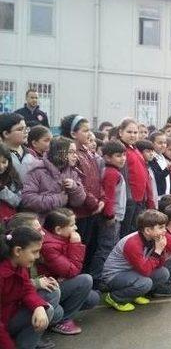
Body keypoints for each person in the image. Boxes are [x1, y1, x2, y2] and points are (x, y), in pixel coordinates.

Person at [38, 208, 100, 335]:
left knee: (92, 298)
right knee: (85, 280)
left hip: (59, 282)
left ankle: (60, 314)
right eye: (72, 225)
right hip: (49, 289)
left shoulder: (60, 238)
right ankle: (62, 320)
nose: (76, 227)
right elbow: (73, 271)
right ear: (58, 230)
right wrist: (76, 245)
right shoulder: (49, 246)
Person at [101, 210, 171, 312]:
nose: (164, 231)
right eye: (161, 227)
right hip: (114, 275)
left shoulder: (153, 238)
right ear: (147, 230)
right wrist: (157, 251)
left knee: (163, 273)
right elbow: (145, 270)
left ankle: (135, 294)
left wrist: (161, 249)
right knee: (145, 283)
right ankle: (115, 298)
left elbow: (159, 265)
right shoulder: (133, 243)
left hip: (133, 270)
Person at [60, 114, 105, 272]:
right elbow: (80, 183)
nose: (88, 134)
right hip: (80, 213)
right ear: (73, 134)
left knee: (92, 247)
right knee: (80, 248)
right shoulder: (72, 154)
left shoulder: (87, 151)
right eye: (85, 130)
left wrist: (102, 198)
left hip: (92, 210)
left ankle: (89, 279)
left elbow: (97, 179)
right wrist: (94, 202)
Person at [0, 226, 56, 349]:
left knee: (46, 309)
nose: (38, 256)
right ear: (18, 251)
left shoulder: (20, 265)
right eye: (34, 251)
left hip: (9, 316)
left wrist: (38, 306)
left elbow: (27, 289)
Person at [21, 137, 87, 221]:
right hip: (41, 222)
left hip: (62, 222)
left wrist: (74, 188)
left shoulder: (71, 172)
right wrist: (58, 199)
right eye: (71, 152)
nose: (75, 156)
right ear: (58, 153)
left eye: (75, 152)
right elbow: (28, 199)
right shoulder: (38, 171)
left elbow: (78, 202)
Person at [91, 140, 128, 284]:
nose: (123, 158)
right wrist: (109, 215)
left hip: (115, 216)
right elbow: (108, 196)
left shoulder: (114, 171)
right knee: (106, 247)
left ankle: (103, 275)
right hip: (111, 218)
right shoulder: (111, 173)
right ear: (107, 158)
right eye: (118, 156)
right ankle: (96, 277)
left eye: (124, 155)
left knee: (109, 246)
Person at [118, 119, 155, 238]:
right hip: (129, 199)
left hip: (139, 198)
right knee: (126, 233)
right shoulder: (121, 150)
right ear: (120, 132)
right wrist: (129, 197)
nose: (133, 135)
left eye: (135, 132)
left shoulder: (134, 149)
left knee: (134, 232)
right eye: (129, 132)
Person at [0, 113, 36, 184]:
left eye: (26, 128)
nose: (26, 132)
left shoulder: (31, 153)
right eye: (20, 129)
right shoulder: (2, 155)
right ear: (6, 134)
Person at [0, 144, 22, 223]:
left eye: (4, 162)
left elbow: (17, 201)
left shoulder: (11, 176)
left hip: (9, 220)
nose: (1, 166)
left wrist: (2, 189)